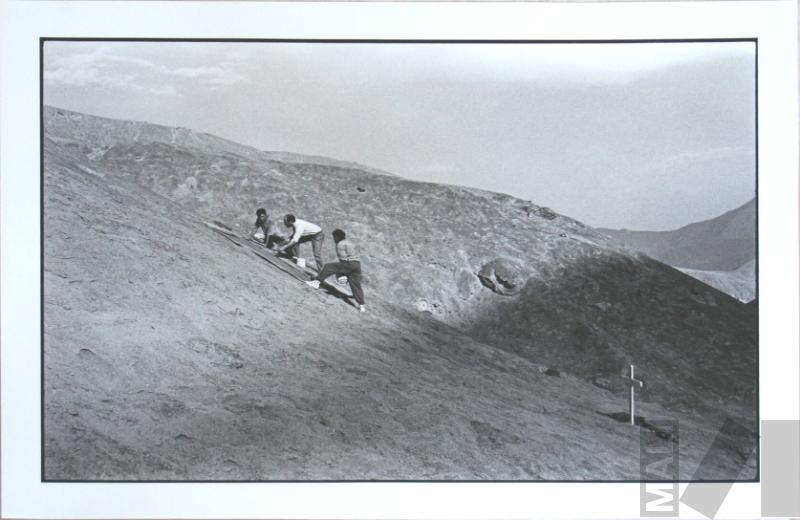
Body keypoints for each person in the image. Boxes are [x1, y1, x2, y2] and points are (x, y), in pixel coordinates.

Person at [306, 229, 366, 313]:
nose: (334, 239)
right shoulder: (349, 243)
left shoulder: (340, 244)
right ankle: (361, 305)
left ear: (337, 237)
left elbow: (343, 259)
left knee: (328, 267)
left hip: (349, 263)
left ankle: (316, 283)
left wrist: (340, 273)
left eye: (334, 237)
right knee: (356, 285)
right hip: (357, 265)